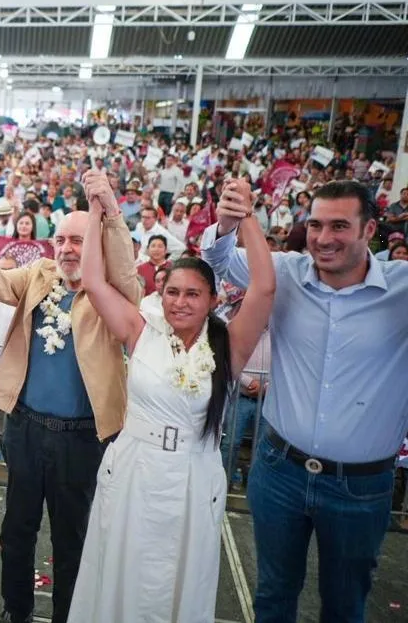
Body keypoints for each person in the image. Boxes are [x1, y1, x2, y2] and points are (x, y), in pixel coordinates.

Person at [67, 175, 275, 622]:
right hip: (133, 470)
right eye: (172, 292)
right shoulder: (139, 330)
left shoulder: (229, 345)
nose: (180, 302)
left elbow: (263, 289)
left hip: (191, 479)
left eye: (193, 294)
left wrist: (246, 216)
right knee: (122, 573)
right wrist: (99, 208)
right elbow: (94, 281)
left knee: (179, 579)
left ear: (213, 299)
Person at [201, 179, 408, 622]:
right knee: (273, 595)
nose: (324, 238)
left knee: (345, 606)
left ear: (370, 229)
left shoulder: (402, 289)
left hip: (361, 487)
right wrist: (228, 222)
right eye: (315, 225)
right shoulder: (286, 271)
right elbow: (219, 260)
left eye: (339, 226)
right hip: (280, 472)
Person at [0, 170, 141, 623]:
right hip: (25, 428)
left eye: (78, 241)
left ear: (96, 245)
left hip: (81, 439)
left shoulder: (110, 291)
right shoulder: (40, 274)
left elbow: (128, 277)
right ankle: (17, 612)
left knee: (71, 540)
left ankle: (69, 615)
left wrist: (111, 212)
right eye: (61, 239)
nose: (66, 249)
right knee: (17, 531)